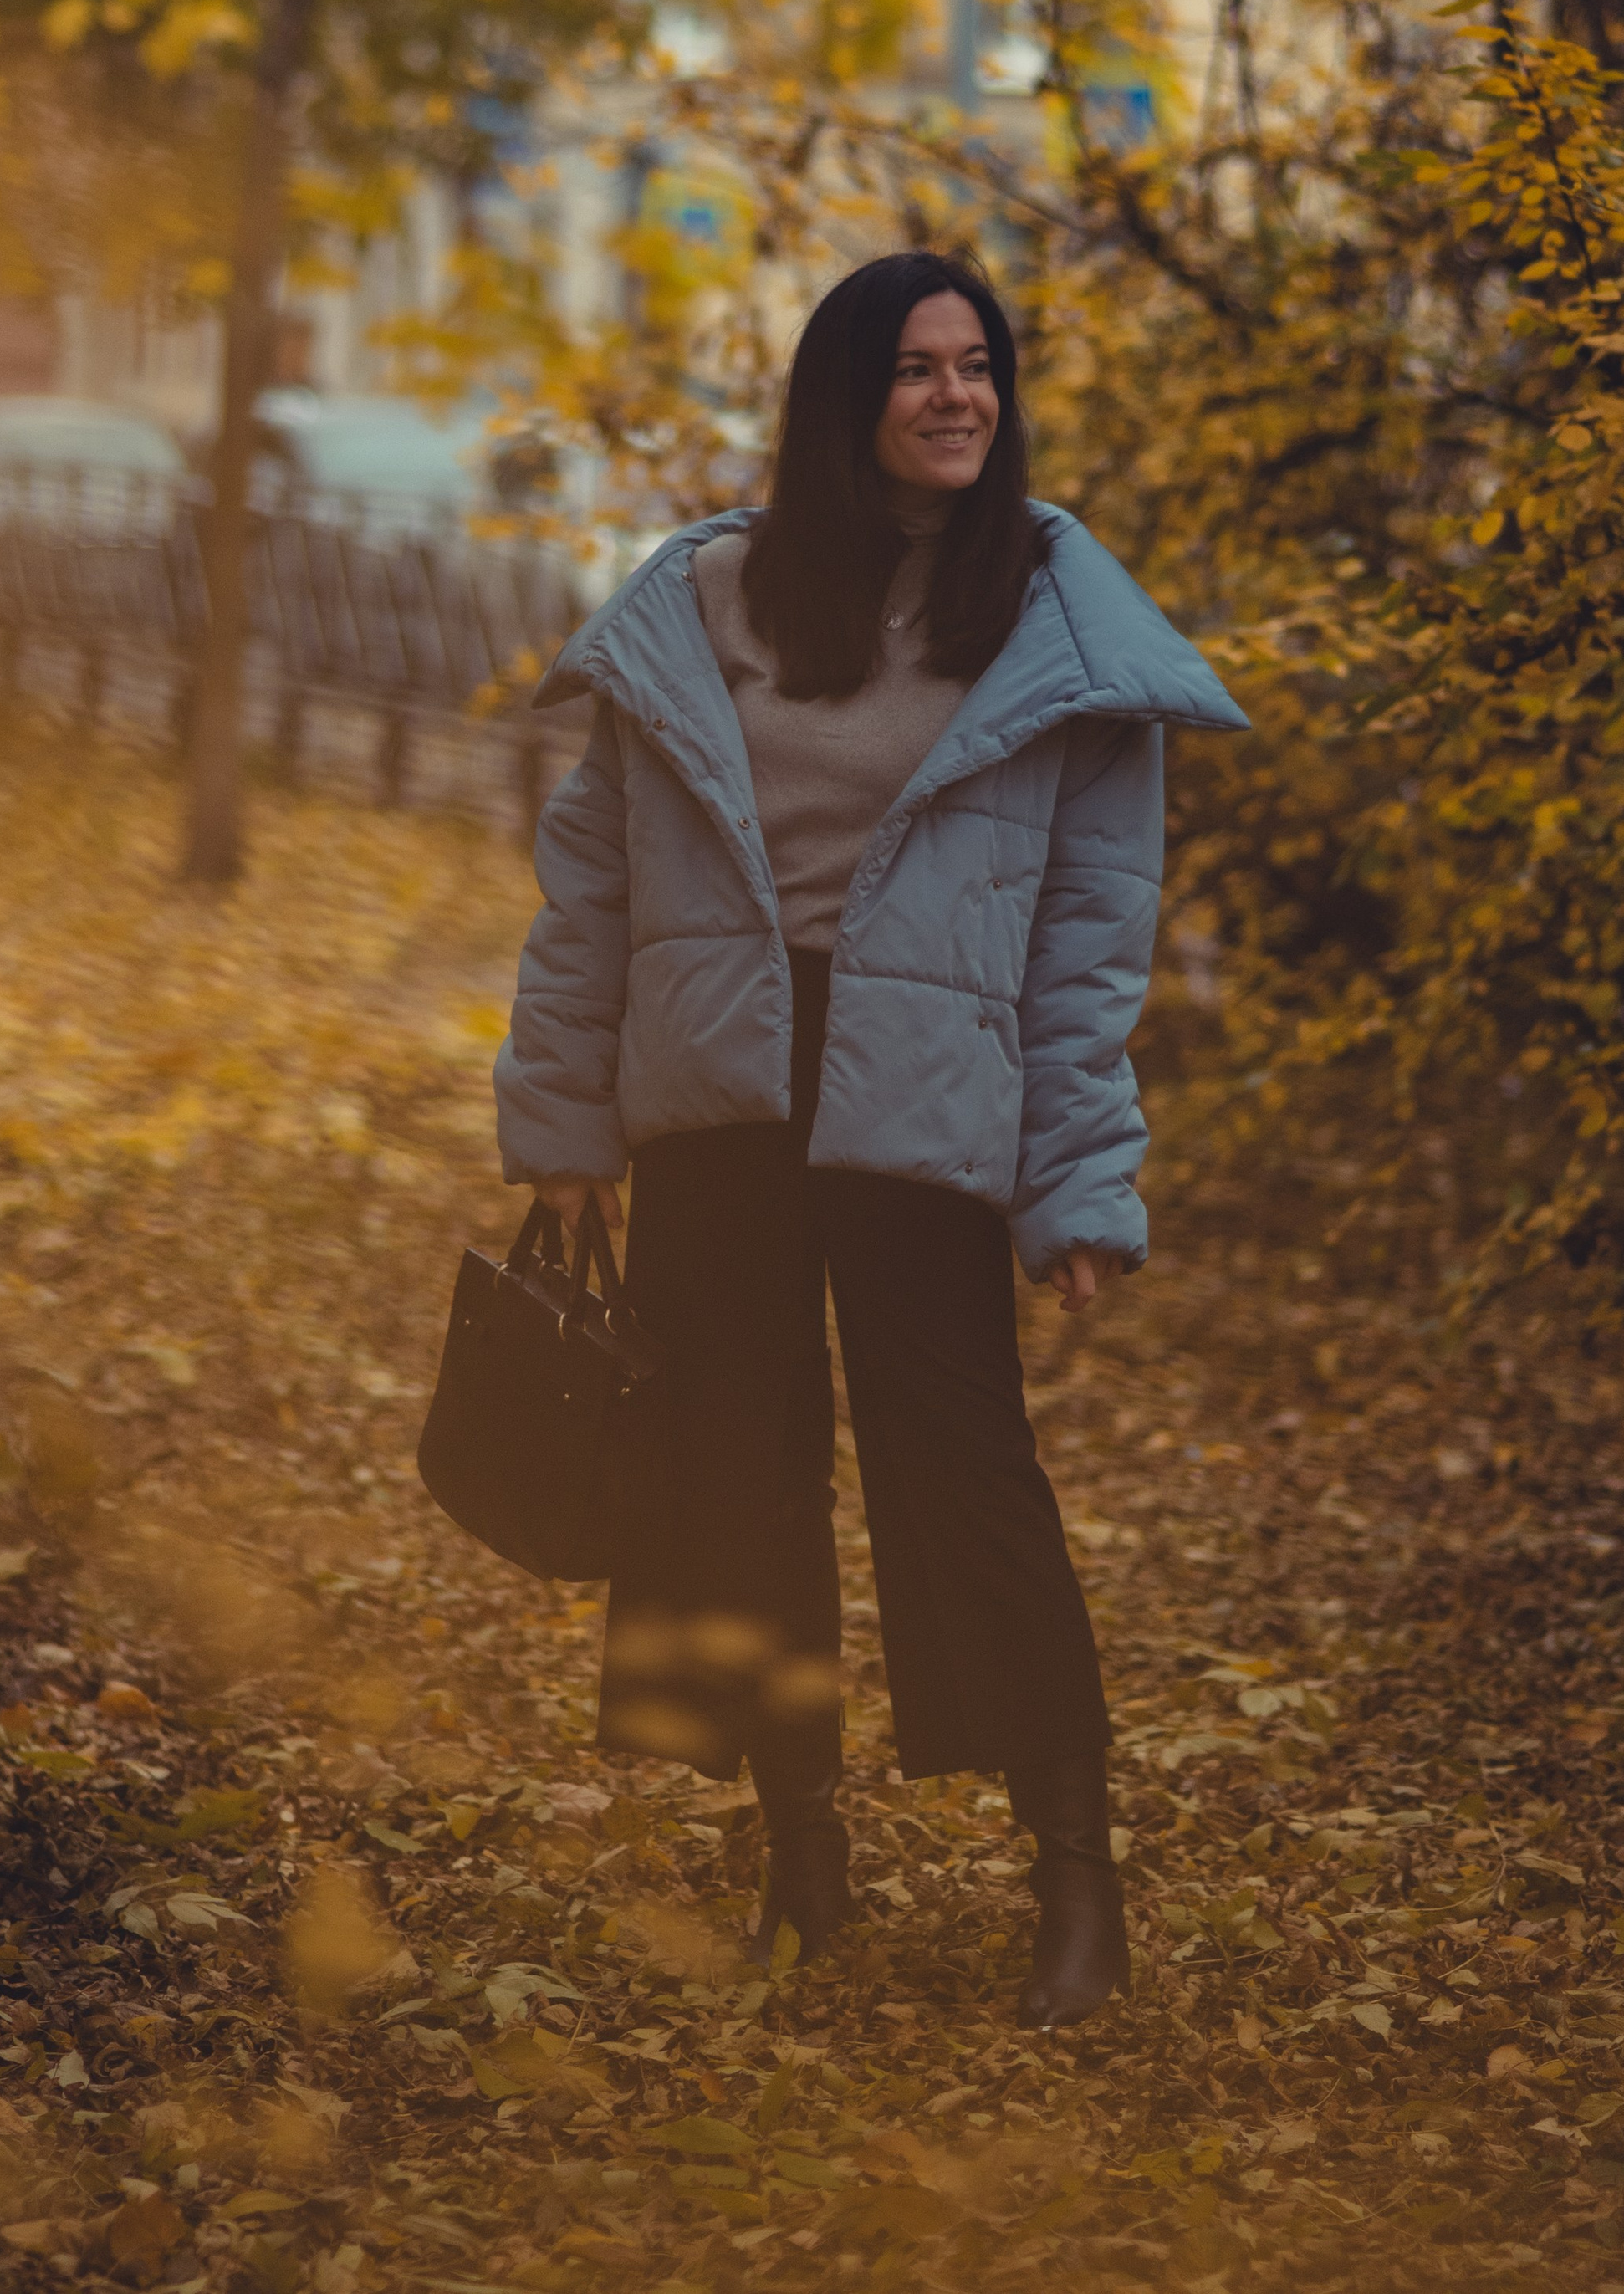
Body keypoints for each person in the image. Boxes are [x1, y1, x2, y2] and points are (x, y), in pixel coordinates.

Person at [493, 250, 1247, 2027]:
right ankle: (797, 1858)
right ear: (842, 401)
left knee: (964, 1471)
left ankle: (1078, 1878)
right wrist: (561, 1115)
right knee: (733, 1482)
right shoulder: (709, 601)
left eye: (975, 365)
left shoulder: (1058, 623)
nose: (952, 396)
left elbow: (1085, 936)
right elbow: (589, 881)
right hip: (721, 1103)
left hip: (931, 1096)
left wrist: (1080, 1175)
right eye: (912, 368)